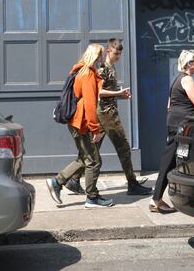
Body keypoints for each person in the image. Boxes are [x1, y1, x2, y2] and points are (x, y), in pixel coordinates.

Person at [64, 39, 151, 196]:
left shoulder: (110, 66)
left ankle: (74, 180)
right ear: (108, 51)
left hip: (104, 113)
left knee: (92, 151)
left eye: (120, 54)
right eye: (116, 53)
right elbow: (98, 92)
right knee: (123, 147)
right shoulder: (102, 68)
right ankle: (132, 184)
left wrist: (119, 94)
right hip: (106, 113)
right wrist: (118, 93)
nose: (118, 56)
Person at [46, 44, 114, 208]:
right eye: (101, 55)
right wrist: (95, 129)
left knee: (85, 158)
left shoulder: (81, 70)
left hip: (77, 122)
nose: (103, 58)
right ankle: (92, 198)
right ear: (96, 56)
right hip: (82, 123)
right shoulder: (87, 74)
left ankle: (58, 181)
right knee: (94, 161)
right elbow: (90, 105)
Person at [150, 49, 194, 213]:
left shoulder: (177, 79)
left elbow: (169, 105)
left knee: (176, 162)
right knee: (170, 162)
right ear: (189, 63)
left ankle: (181, 197)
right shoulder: (187, 79)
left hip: (176, 124)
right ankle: (156, 199)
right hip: (182, 126)